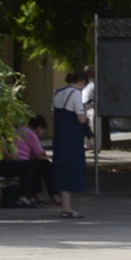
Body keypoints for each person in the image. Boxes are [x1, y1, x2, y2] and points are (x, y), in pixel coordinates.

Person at [51, 66, 92, 218]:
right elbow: (81, 118)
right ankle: (66, 208)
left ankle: (65, 206)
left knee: (61, 170)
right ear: (81, 82)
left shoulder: (57, 92)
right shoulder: (75, 93)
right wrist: (85, 108)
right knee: (71, 170)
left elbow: (54, 114)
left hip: (59, 137)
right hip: (72, 139)